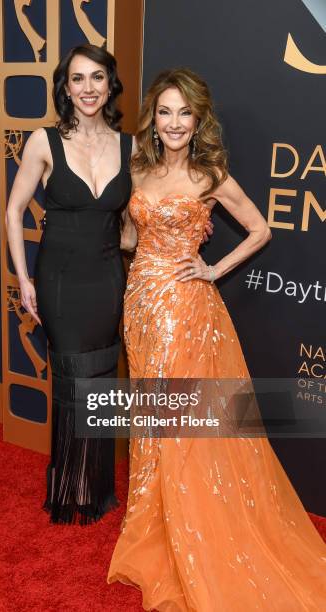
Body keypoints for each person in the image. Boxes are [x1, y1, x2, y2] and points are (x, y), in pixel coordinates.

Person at [108, 69, 326, 610]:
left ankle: (194, 523)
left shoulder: (211, 175)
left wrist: (213, 268)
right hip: (139, 304)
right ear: (153, 119)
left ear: (198, 119)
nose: (175, 122)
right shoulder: (136, 167)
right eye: (165, 112)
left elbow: (261, 229)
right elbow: (131, 238)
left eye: (185, 113)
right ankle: (153, 517)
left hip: (185, 308)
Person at [6, 44, 133, 524]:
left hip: (107, 278)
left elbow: (131, 227)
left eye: (97, 78)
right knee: (75, 380)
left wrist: (180, 225)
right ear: (65, 87)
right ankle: (69, 484)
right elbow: (13, 210)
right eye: (77, 79)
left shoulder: (130, 146)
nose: (87, 89)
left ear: (110, 84)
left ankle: (96, 486)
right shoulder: (44, 141)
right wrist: (24, 277)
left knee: (101, 380)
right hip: (58, 279)